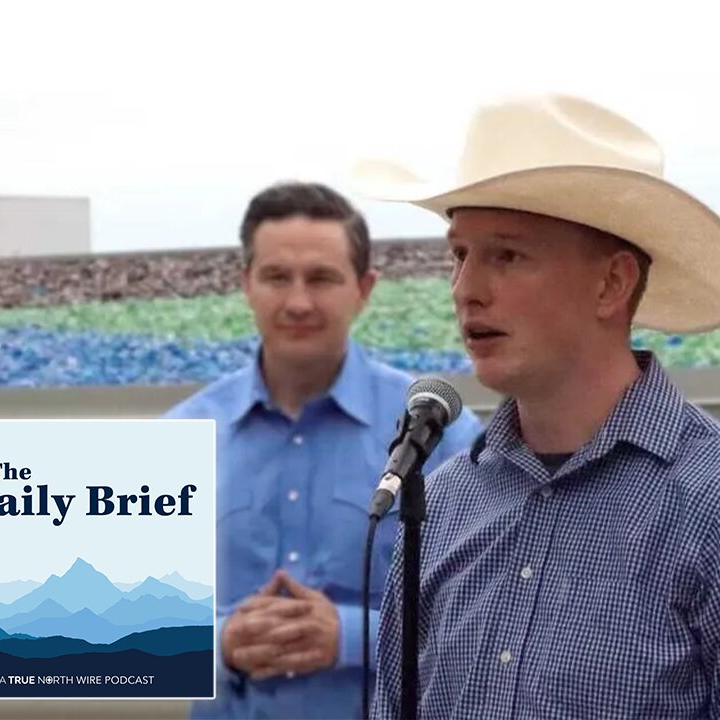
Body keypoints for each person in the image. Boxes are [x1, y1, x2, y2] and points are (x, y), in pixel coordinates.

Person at [352, 93, 720, 719]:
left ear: (612, 284)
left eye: (508, 255)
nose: (467, 289)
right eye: (460, 255)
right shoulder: (441, 502)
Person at [165, 181, 483, 719]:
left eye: (321, 278)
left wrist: (351, 636)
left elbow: (487, 617)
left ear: (364, 288)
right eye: (276, 277)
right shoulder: (180, 435)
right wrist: (222, 642)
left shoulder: (441, 435)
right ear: (245, 284)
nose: (298, 302)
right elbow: (117, 630)